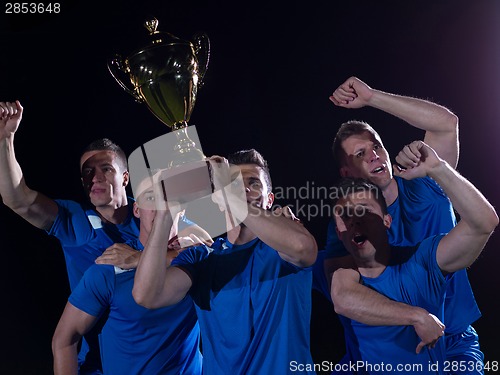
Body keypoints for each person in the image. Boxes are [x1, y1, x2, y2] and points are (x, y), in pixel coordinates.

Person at [317, 76, 486, 373]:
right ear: (347, 172)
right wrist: (416, 316)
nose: (374, 156)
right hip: (381, 346)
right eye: (360, 154)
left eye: (376, 147)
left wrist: (371, 97)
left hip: (450, 338)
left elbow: (446, 124)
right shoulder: (345, 224)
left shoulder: (423, 182)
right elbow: (343, 296)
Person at [132, 149, 319, 375]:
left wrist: (231, 195)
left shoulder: (281, 248)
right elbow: (146, 295)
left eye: (254, 183)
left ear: (269, 199)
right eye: (234, 183)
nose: (245, 189)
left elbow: (304, 249)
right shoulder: (202, 258)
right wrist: (164, 213)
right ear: (218, 200)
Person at [329, 141, 497, 373]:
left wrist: (438, 168)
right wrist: (417, 317)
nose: (355, 220)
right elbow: (343, 298)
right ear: (338, 232)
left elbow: (483, 223)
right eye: (345, 215)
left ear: (387, 221)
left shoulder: (421, 261)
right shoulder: (339, 273)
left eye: (365, 210)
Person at [0, 100, 141, 374]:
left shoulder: (153, 216)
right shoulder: (74, 221)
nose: (95, 178)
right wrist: (6, 139)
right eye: (87, 173)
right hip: (101, 367)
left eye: (105, 169)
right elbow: (17, 198)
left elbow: (200, 249)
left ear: (125, 177)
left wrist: (141, 258)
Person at [51, 171, 210, 374]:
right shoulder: (108, 270)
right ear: (136, 209)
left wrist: (141, 258)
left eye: (168, 198)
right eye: (151, 198)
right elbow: (64, 340)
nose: (160, 207)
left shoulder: (199, 258)